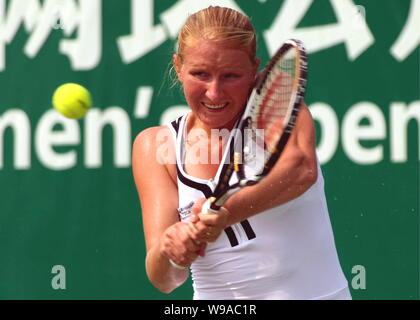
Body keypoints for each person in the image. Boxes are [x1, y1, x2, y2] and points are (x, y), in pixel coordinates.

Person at [132, 6, 351, 300]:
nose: (214, 93)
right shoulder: (155, 146)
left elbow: (301, 170)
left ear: (253, 70)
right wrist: (171, 251)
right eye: (200, 74)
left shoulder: (278, 106)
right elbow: (165, 280)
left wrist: (224, 214)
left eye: (231, 76)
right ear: (178, 67)